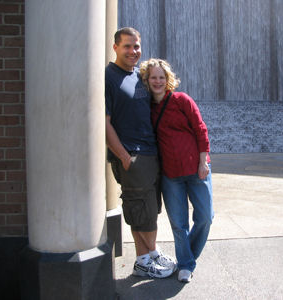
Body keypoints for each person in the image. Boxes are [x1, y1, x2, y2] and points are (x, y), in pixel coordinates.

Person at [105, 28, 176, 278]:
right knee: (140, 210)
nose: (133, 51)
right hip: (132, 155)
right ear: (115, 47)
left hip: (149, 153)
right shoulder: (108, 77)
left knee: (149, 208)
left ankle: (149, 254)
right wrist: (124, 157)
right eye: (127, 46)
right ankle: (143, 260)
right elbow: (104, 122)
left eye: (136, 46)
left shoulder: (139, 76)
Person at [139, 58, 214, 283]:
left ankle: (186, 256)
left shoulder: (182, 100)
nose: (158, 81)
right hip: (171, 175)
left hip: (196, 169)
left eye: (162, 77)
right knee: (178, 223)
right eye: (153, 77)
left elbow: (201, 130)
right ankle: (185, 264)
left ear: (168, 79)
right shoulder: (147, 109)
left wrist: (203, 162)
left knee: (205, 218)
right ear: (147, 80)